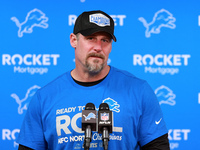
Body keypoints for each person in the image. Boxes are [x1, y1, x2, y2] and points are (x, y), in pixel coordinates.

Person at [17, 10, 170, 150]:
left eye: (105, 40)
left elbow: (158, 147)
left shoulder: (138, 90)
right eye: (91, 38)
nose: (98, 47)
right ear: (73, 40)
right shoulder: (44, 97)